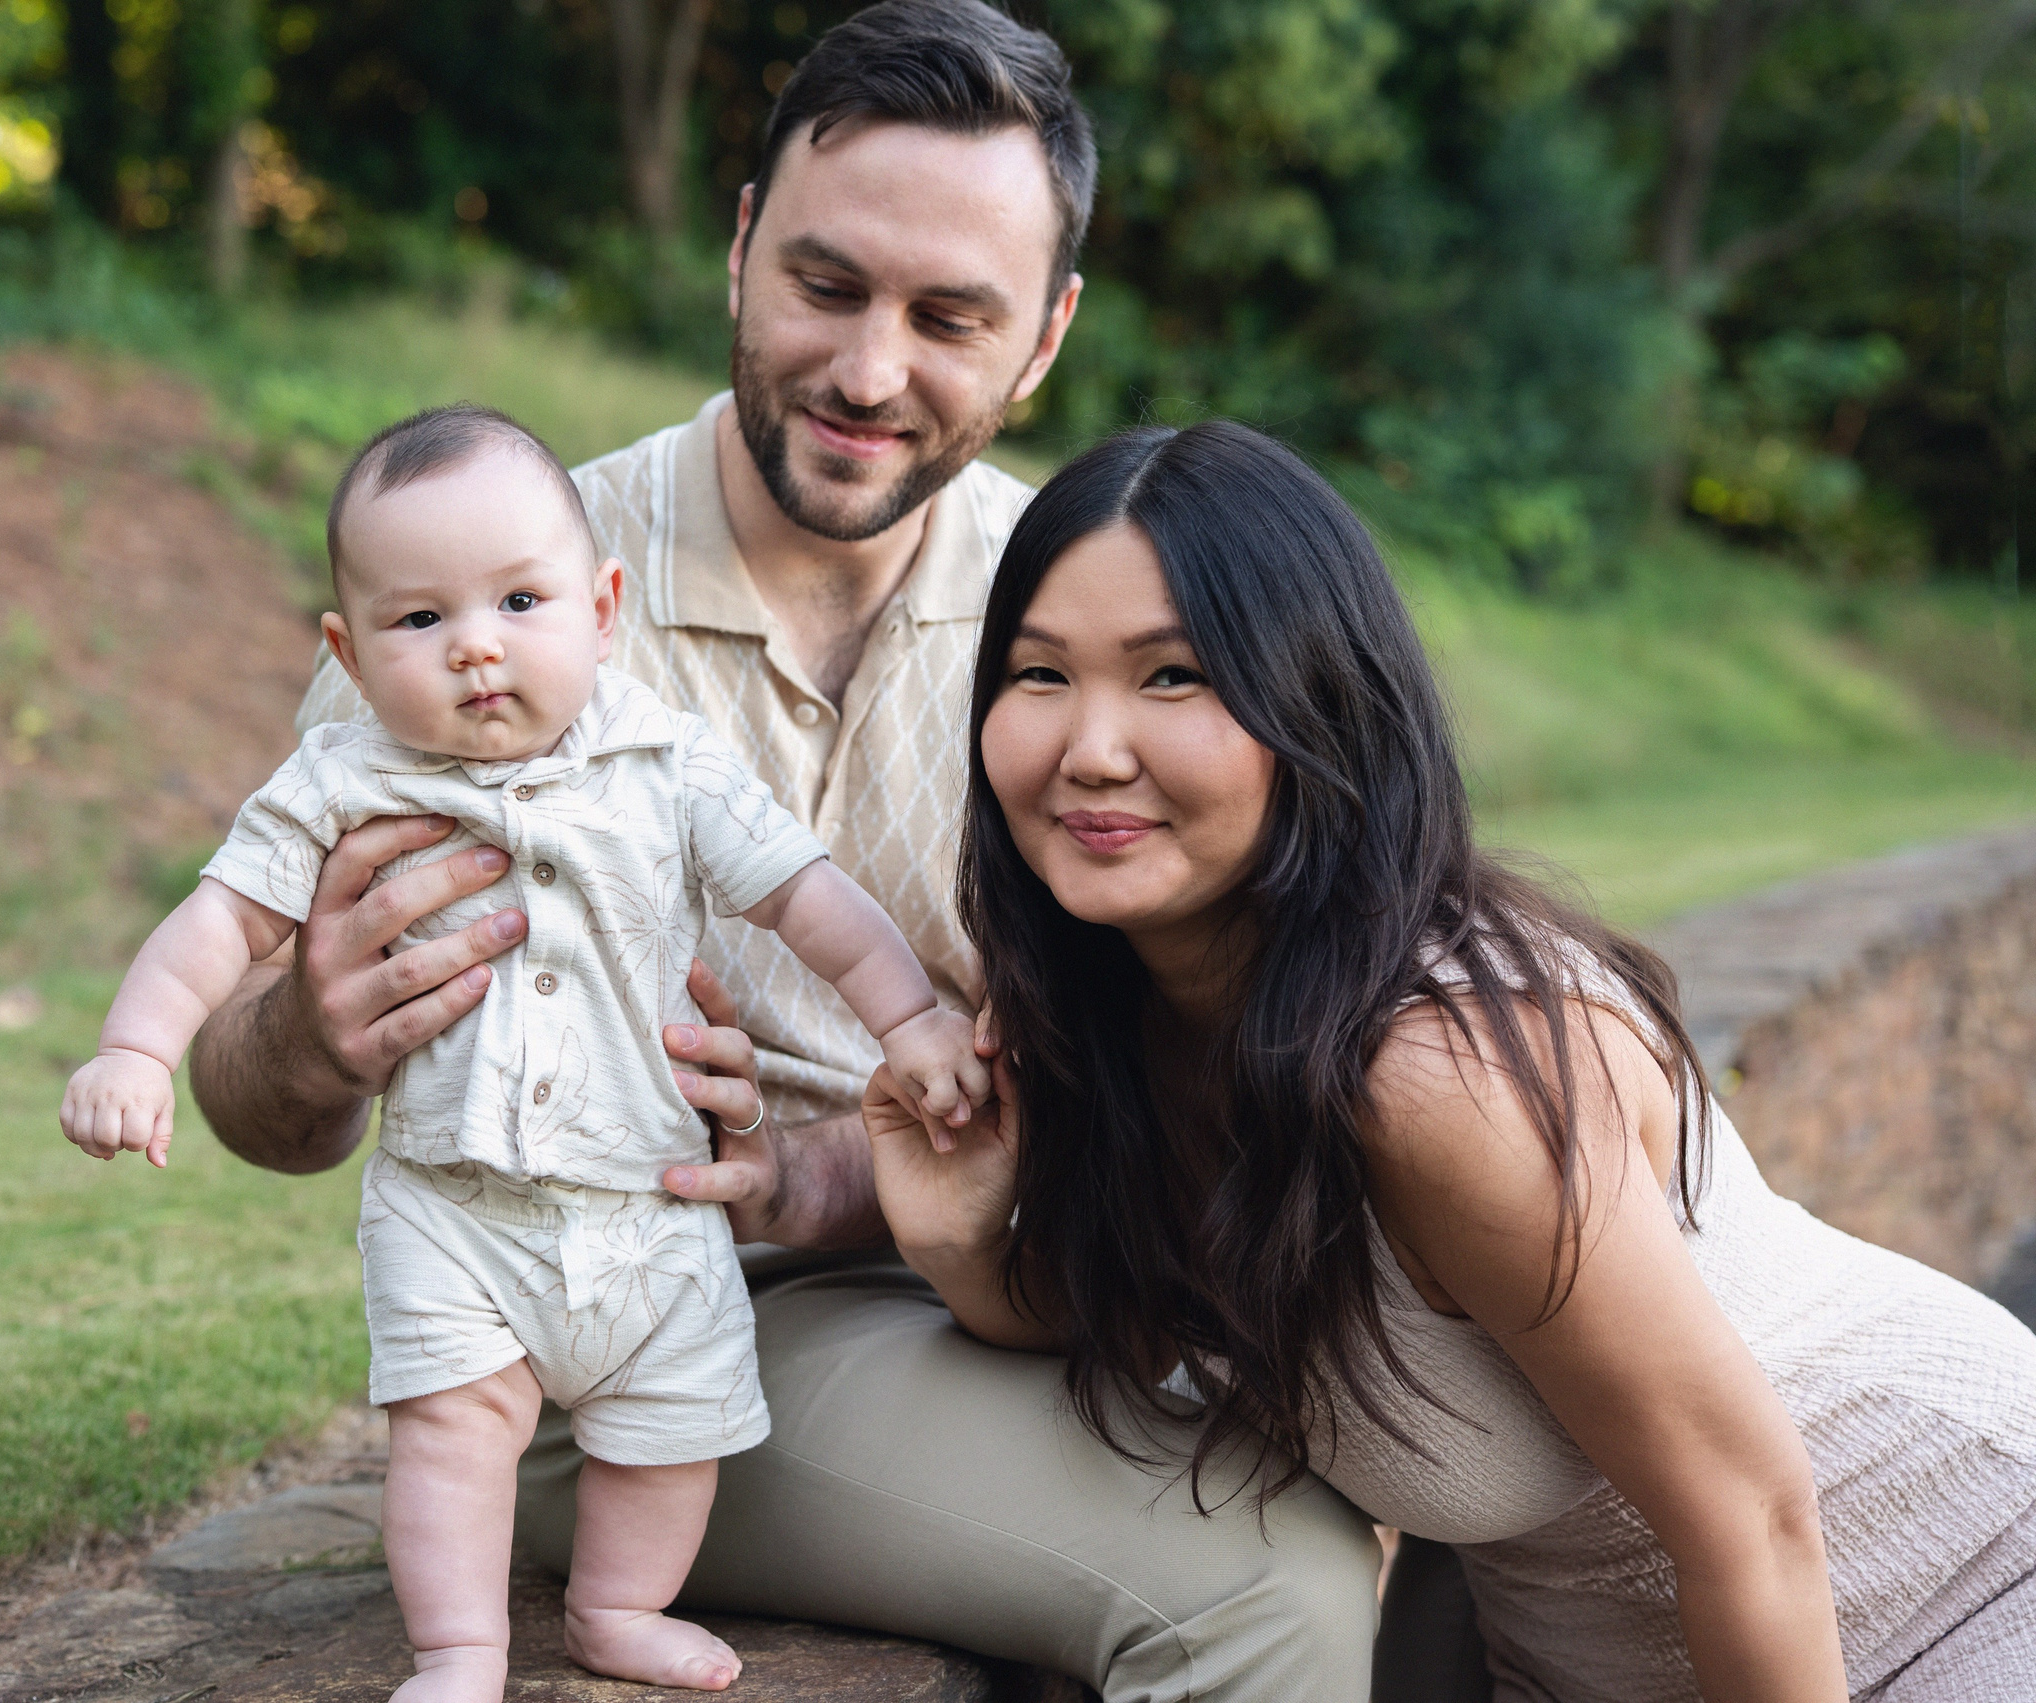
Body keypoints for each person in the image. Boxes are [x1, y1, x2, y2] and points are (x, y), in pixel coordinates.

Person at [186, 1, 1385, 1696]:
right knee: (1275, 1585)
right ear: (741, 248)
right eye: (827, 285)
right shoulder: (487, 583)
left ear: (1045, 338)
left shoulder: (1075, 609)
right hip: (627, 1348)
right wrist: (307, 1030)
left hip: (1010, 1274)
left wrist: (881, 1171)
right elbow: (254, 1102)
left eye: (950, 316)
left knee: (1436, 1475)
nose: (870, 369)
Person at [868, 418, 2036, 1701]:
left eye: (1173, 676)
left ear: (1314, 700)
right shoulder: (1134, 1010)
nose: (1089, 746)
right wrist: (965, 1240)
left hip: (1951, 1578)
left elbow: (1752, 1515)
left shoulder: (1437, 1071)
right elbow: (1130, 1324)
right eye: (1039, 674)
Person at [61, 403, 986, 1702]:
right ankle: (459, 1650)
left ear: (603, 605)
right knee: (453, 1427)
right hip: (455, 1207)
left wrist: (916, 1020)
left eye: (519, 600)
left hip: (653, 1204)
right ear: (348, 647)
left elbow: (811, 897)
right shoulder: (343, 780)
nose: (477, 645)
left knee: (672, 1434)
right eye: (420, 619)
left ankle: (617, 1608)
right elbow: (222, 919)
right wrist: (137, 1048)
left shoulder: (667, 760)